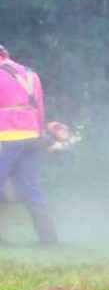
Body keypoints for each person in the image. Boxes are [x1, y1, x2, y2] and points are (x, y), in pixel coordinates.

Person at [0, 44, 58, 245]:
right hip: (32, 134)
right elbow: (39, 107)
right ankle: (48, 239)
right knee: (30, 187)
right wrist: (40, 133)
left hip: (7, 136)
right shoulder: (30, 75)